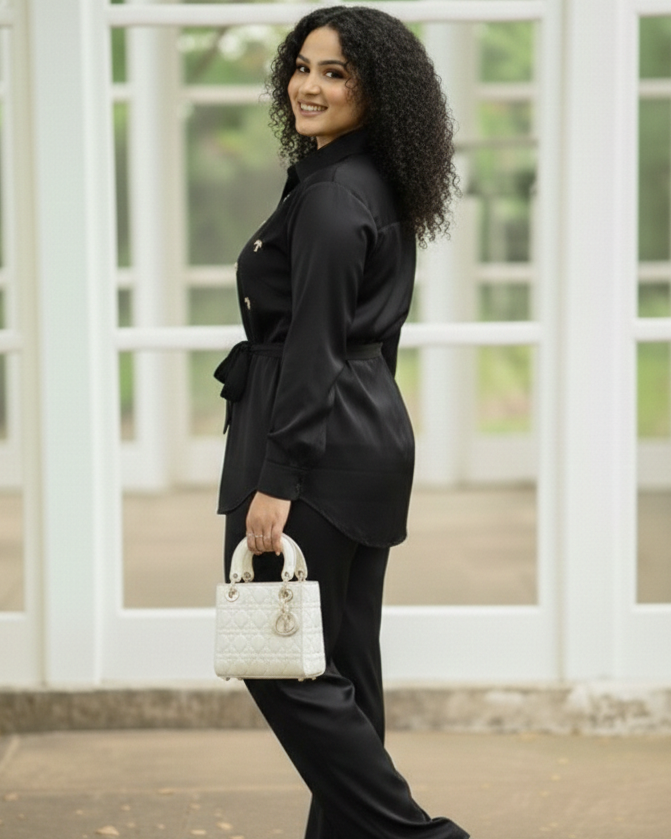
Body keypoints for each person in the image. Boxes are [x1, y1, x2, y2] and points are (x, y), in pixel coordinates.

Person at [215, 6, 467, 838]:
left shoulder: (330, 195)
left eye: (335, 73)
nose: (308, 86)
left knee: (279, 664)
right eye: (303, 67)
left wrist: (276, 481)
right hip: (367, 441)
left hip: (313, 454)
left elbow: (316, 347)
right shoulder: (367, 182)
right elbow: (367, 344)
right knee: (344, 670)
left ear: (376, 91)